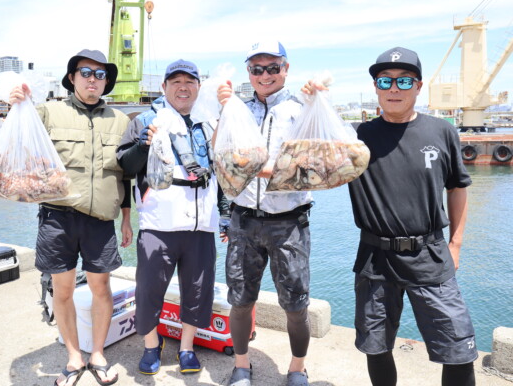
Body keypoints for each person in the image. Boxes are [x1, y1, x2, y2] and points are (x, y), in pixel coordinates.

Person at [347, 46, 477, 386]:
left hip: (431, 254)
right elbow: (310, 155)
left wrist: (456, 244)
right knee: (375, 346)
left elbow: (458, 187)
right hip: (375, 257)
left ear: (419, 87)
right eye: (385, 81)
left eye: (404, 81)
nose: (394, 89)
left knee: (459, 351)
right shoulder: (357, 138)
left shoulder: (441, 131)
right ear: (375, 87)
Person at [10, 49, 133, 386]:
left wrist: (126, 219)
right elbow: (21, 138)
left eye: (100, 73)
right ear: (72, 77)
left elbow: (126, 176)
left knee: (101, 287)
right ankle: (74, 356)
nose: (93, 78)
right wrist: (17, 101)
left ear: (106, 81)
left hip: (101, 220)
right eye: (86, 72)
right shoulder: (48, 111)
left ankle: (98, 354)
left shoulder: (121, 121)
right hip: (57, 217)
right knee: (62, 290)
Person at [217, 41, 323, 386]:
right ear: (249, 72)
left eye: (272, 67)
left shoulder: (302, 107)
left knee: (295, 304)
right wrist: (224, 106)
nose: (264, 75)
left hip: (289, 222)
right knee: (240, 299)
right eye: (256, 69)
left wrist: (265, 168)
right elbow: (221, 156)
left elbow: (315, 164)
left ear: (285, 69)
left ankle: (297, 367)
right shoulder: (239, 109)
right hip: (243, 218)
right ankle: (242, 365)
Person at [116, 59, 230, 375]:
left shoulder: (209, 123)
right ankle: (152, 345)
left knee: (198, 289)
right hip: (158, 224)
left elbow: (220, 173)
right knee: (149, 288)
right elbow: (126, 165)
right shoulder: (145, 121)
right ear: (164, 87)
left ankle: (187, 348)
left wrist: (225, 215)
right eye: (175, 81)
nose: (183, 87)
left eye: (190, 81)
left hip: (201, 225)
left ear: (198, 86)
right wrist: (143, 145)